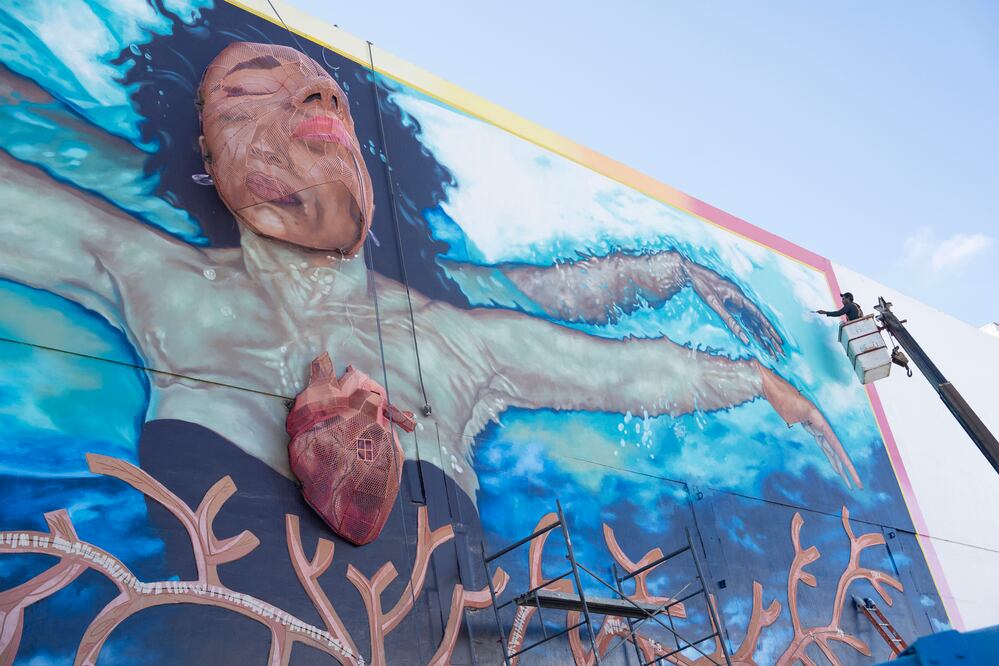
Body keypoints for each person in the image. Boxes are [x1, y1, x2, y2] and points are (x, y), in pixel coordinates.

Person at [0, 43, 862, 494]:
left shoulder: (451, 333)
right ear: (203, 157)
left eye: (322, 94)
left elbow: (614, 359)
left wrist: (752, 373)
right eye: (243, 96)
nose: (313, 102)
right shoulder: (165, 282)